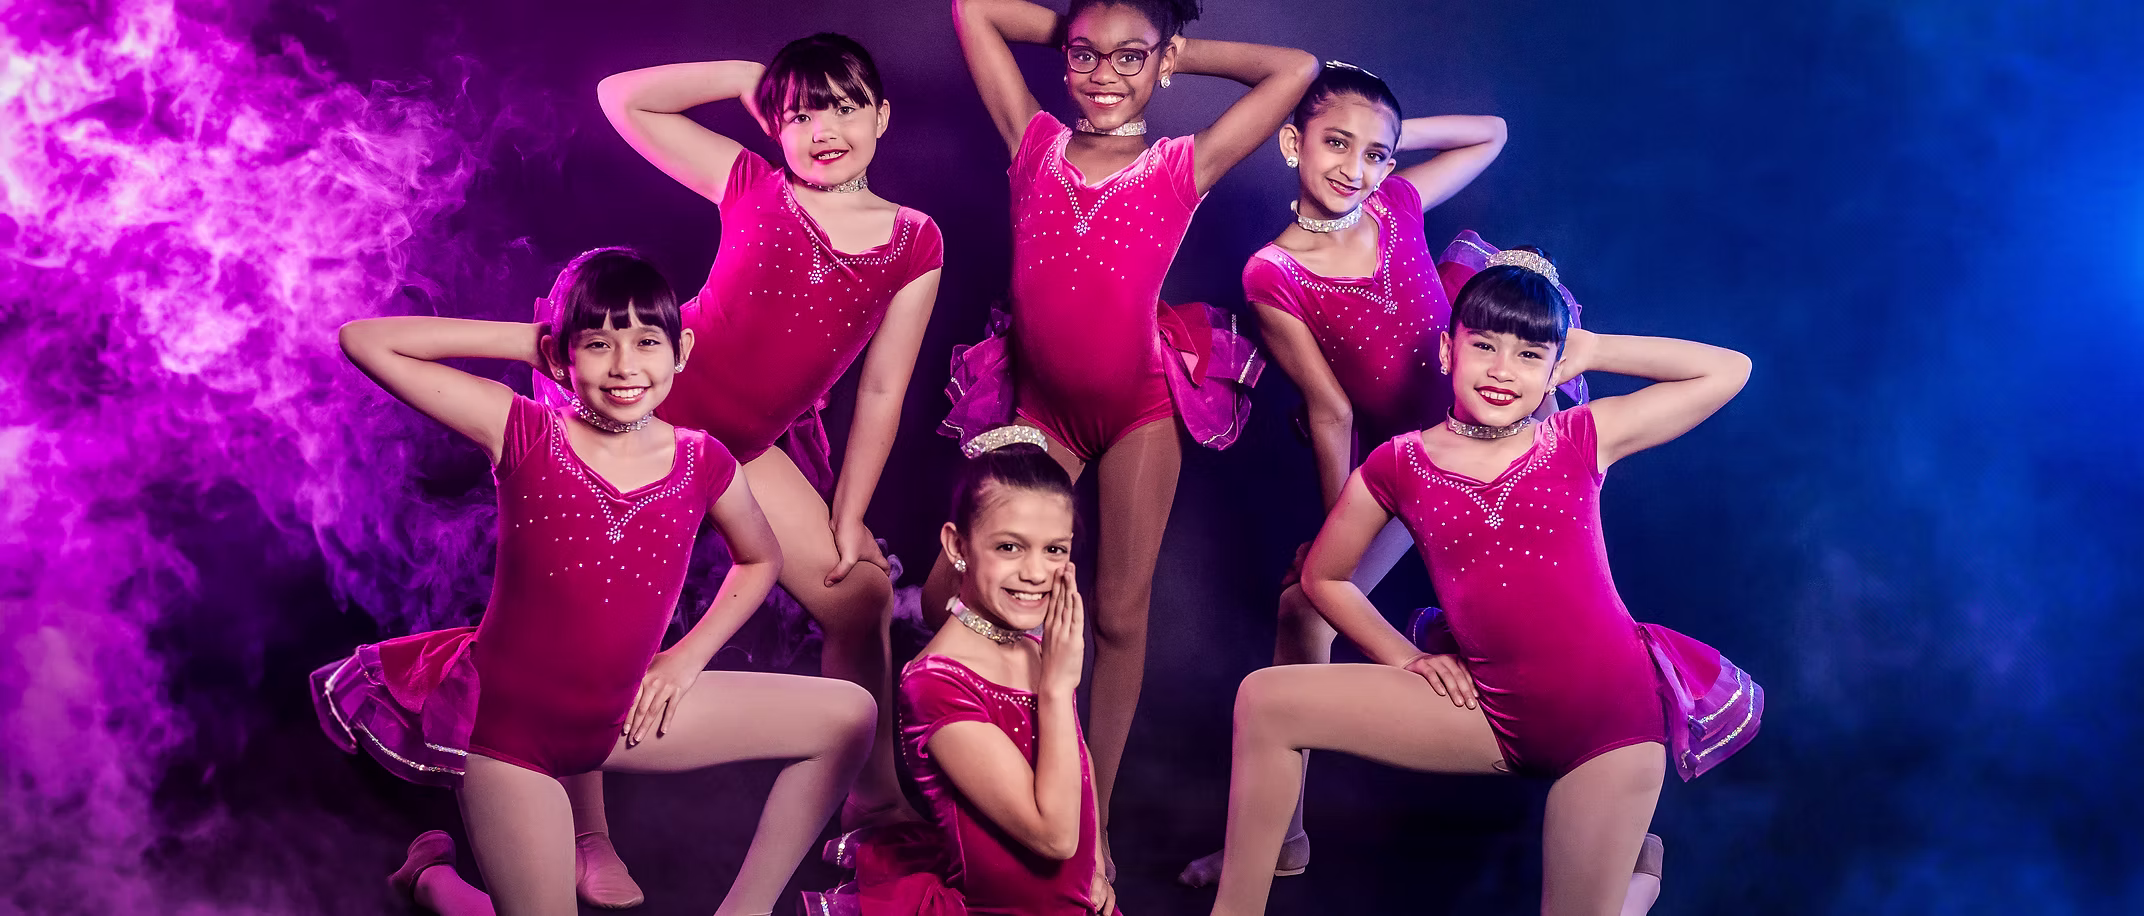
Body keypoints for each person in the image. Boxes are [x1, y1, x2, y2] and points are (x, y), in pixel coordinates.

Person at [312, 248, 875, 915]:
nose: (624, 366)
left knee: (849, 716)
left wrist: (684, 658)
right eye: (599, 343)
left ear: (681, 350)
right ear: (562, 357)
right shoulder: (521, 429)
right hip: (509, 743)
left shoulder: (703, 461)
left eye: (645, 342)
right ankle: (434, 884)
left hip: (617, 721)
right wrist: (534, 343)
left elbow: (762, 560)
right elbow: (364, 341)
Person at [1205, 249, 1762, 916]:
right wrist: (1405, 659)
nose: (1504, 371)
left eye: (1531, 355)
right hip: (1490, 718)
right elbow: (1325, 578)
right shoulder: (1400, 464)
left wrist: (1592, 349)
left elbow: (1730, 369)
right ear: (1447, 351)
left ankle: (1636, 881)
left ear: (1555, 367)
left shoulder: (1581, 437)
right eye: (1486, 347)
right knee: (1266, 701)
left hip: (1611, 725)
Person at [558, 33, 947, 905]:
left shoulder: (914, 243)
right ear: (775, 125)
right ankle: (587, 834)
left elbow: (882, 391)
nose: (822, 130)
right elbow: (622, 94)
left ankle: (869, 795)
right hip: (647, 413)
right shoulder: (751, 183)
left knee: (861, 593)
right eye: (799, 113)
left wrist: (849, 517)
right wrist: (744, 80)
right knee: (594, 614)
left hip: (746, 445)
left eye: (842, 107)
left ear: (881, 116)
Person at [928, 0, 1318, 870]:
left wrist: (1173, 51)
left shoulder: (1181, 164)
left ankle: (1086, 822)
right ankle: (983, 779)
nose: (1105, 76)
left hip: (1140, 406)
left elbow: (1293, 68)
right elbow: (973, 9)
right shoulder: (1031, 144)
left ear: (1162, 61)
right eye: (1085, 57)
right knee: (949, 594)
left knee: (1116, 612)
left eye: (1129, 59)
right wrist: (1087, 30)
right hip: (1040, 407)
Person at [1179, 60, 1511, 886]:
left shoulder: (1394, 203)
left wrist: (1389, 140)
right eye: (1336, 145)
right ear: (1292, 142)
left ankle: (1609, 788)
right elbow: (1330, 412)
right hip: (1405, 468)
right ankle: (1281, 833)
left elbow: (1492, 134)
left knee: (1532, 611)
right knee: (1306, 608)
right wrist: (1340, 550)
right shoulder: (1274, 272)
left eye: (1374, 155)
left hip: (1489, 442)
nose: (1353, 169)